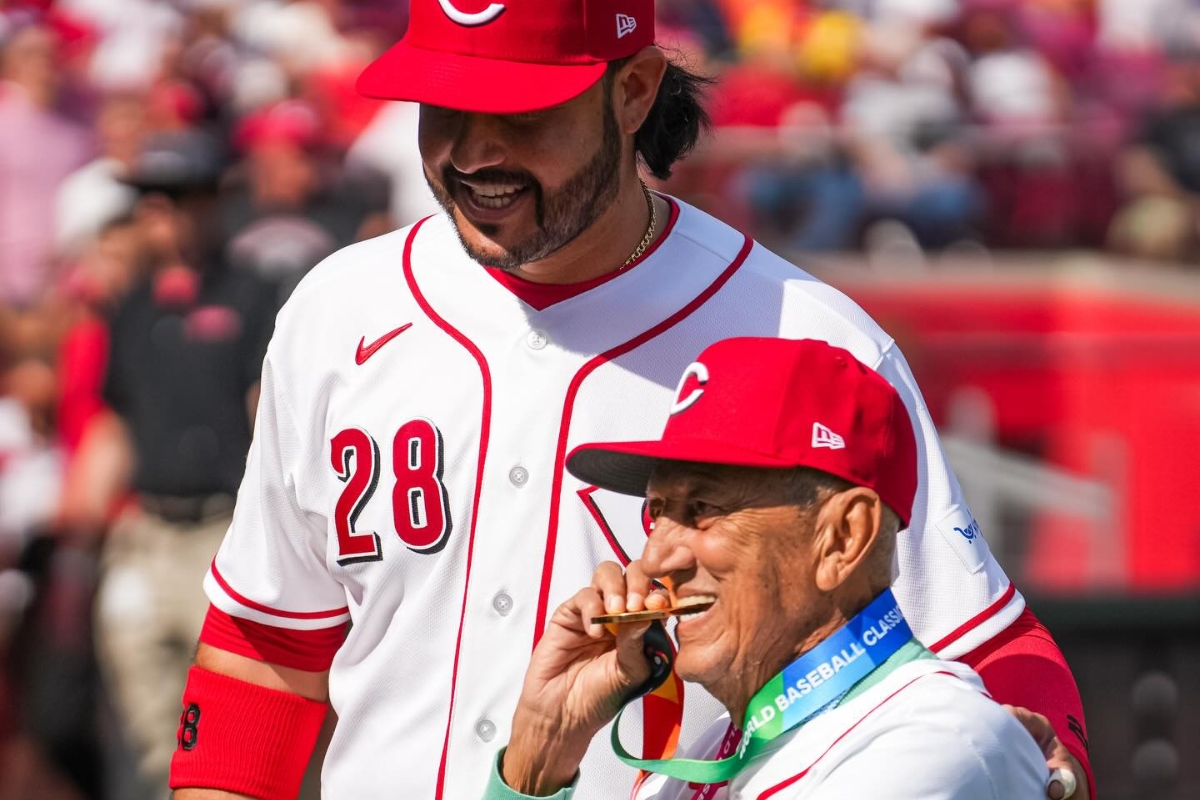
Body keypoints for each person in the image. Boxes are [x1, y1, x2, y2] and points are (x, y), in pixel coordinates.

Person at [169, 2, 1091, 799]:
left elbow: (987, 651)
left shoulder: (806, 339)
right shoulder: (339, 310)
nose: (475, 151)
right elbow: (265, 643)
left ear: (634, 91)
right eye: (445, 106)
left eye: (518, 112)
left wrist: (1049, 767)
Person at [486, 336, 1050, 799]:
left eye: (702, 510)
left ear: (843, 538)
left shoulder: (936, 742)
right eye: (656, 512)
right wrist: (542, 753)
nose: (655, 558)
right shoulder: (710, 757)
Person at [91, 130, 276, 798]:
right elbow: (116, 425)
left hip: (221, 530)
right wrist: (79, 538)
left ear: (208, 202)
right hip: (146, 532)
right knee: (146, 734)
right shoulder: (133, 307)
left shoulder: (254, 295)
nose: (157, 212)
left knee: (226, 731)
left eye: (173, 197)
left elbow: (270, 419)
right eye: (149, 199)